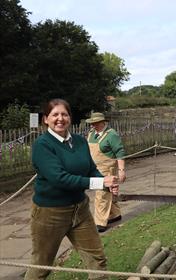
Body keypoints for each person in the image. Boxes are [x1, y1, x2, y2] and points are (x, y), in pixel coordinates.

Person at [25, 99, 118, 280]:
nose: (60, 118)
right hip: (50, 213)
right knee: (41, 266)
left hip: (80, 210)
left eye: (64, 114)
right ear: (46, 119)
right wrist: (98, 183)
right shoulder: (42, 145)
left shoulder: (80, 141)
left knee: (97, 259)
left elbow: (90, 169)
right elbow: (59, 179)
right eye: (55, 115)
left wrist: (105, 182)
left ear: (70, 117)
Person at [86, 112, 126, 233]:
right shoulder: (91, 134)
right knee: (109, 193)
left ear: (103, 122)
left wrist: (121, 171)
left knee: (101, 195)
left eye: (96, 123)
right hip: (95, 168)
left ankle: (100, 223)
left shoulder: (111, 135)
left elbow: (120, 153)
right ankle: (115, 215)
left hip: (108, 169)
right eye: (92, 123)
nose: (93, 125)